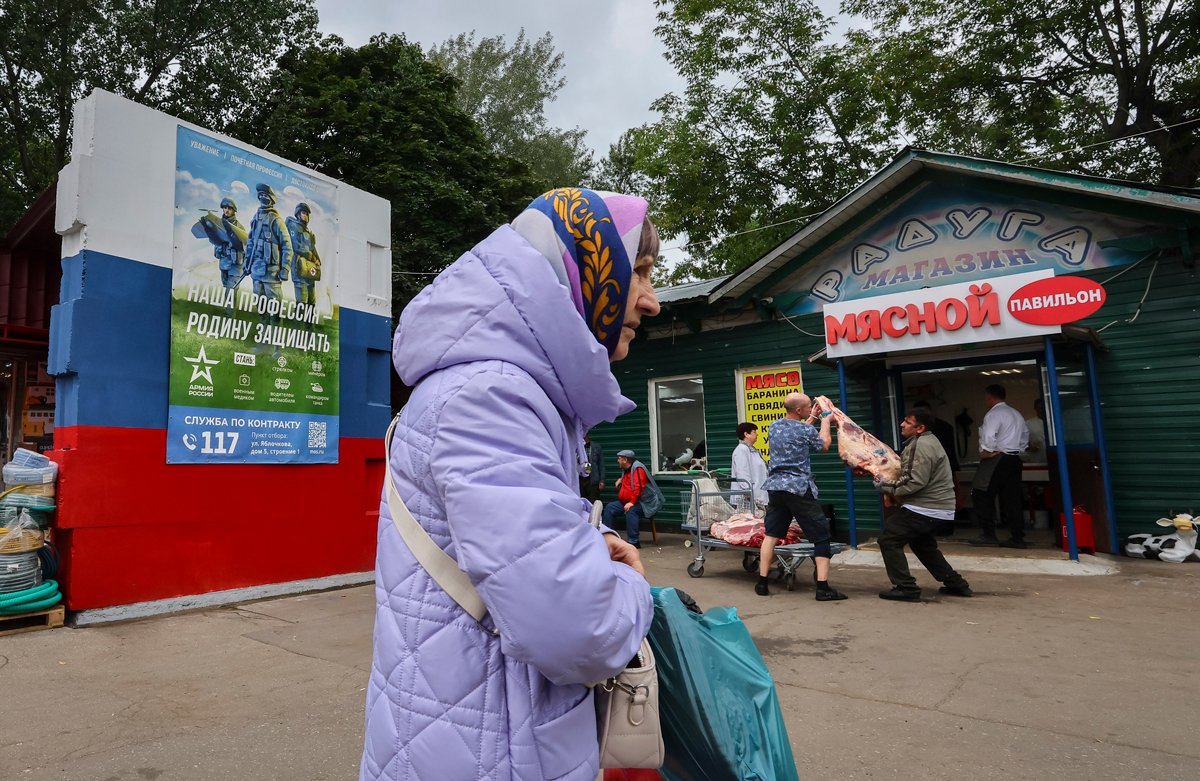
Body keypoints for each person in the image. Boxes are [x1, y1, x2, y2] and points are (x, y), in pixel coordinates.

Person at [362, 188, 661, 781]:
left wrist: (585, 540)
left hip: (469, 734)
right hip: (491, 750)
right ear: (586, 270)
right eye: (641, 274)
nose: (651, 302)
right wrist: (630, 583)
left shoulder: (503, 390)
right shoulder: (493, 396)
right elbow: (579, 629)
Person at [870, 408, 973, 601]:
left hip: (926, 507)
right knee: (922, 544)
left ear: (920, 428)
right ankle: (956, 584)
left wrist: (885, 486)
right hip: (935, 506)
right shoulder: (928, 441)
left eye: (908, 422)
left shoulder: (921, 445)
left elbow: (914, 482)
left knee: (889, 539)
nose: (902, 424)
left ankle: (906, 587)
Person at [757, 392, 845, 600]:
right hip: (798, 488)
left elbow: (798, 431)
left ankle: (762, 583)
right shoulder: (805, 429)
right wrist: (825, 419)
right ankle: (823, 589)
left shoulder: (774, 426)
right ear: (798, 410)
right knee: (821, 535)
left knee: (771, 534)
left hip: (776, 487)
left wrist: (812, 418)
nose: (810, 408)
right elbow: (823, 444)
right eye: (807, 407)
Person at [969, 383, 1030, 548]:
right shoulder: (1016, 413)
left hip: (997, 457)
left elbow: (989, 434)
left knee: (980, 493)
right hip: (1014, 458)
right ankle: (1018, 537)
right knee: (1013, 498)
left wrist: (987, 451)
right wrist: (1020, 448)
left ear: (989, 397)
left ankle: (989, 534)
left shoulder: (994, 414)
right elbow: (1025, 435)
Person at [245, 183, 293, 333]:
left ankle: (277, 347)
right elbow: (251, 242)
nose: (262, 198)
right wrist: (247, 264)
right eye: (260, 195)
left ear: (271, 199)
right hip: (257, 271)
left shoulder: (276, 220)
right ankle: (263, 342)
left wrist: (284, 269)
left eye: (265, 195)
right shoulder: (256, 217)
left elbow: (287, 246)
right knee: (261, 308)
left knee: (275, 310)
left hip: (272, 273)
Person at [602, 449, 655, 548]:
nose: (617, 460)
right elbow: (630, 479)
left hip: (644, 503)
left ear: (625, 460)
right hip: (627, 501)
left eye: (619, 458)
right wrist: (621, 479)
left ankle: (634, 542)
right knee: (610, 508)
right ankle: (609, 537)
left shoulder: (638, 469)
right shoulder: (626, 469)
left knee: (631, 510)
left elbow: (639, 487)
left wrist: (632, 502)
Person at [286, 202, 320, 317]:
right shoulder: (293, 226)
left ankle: (309, 332)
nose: (305, 216)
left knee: (311, 304)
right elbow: (295, 245)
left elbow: (313, 248)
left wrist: (318, 260)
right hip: (299, 269)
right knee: (302, 305)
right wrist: (310, 255)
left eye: (307, 214)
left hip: (310, 271)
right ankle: (298, 331)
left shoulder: (309, 232)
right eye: (303, 213)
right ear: (298, 214)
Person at [912, 400, 959, 475]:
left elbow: (949, 449)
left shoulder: (941, 427)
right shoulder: (945, 426)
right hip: (945, 465)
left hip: (937, 466)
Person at [730, 422, 768, 510]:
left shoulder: (752, 450)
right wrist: (748, 492)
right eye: (754, 432)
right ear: (746, 434)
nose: (757, 434)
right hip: (747, 500)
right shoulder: (741, 450)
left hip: (758, 497)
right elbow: (742, 473)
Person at [579, 429, 604, 502]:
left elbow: (601, 464)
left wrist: (602, 480)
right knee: (582, 500)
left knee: (594, 501)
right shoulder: (576, 447)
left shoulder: (596, 447)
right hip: (580, 478)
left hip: (592, 479)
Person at [1021, 398, 1047, 463]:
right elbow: (1020, 443)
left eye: (1043, 408)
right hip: (1036, 461)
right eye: (1039, 408)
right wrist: (1029, 448)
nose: (1041, 410)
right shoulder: (1028, 424)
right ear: (1035, 408)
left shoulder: (1055, 423)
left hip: (1054, 460)